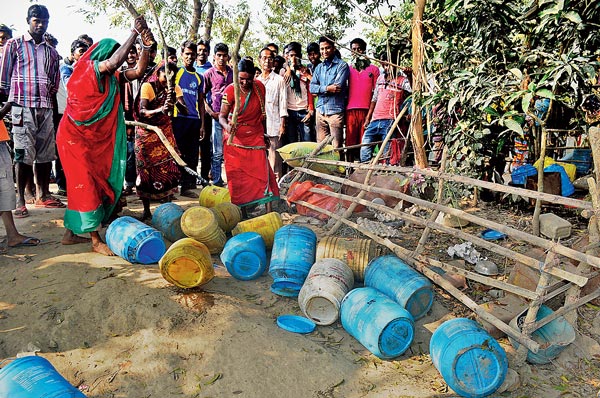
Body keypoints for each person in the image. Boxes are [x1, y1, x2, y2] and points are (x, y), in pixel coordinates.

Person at [56, 16, 154, 255]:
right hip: (74, 140)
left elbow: (138, 70)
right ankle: (94, 239)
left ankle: (70, 233)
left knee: (90, 183)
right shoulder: (88, 70)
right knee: (85, 184)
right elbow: (112, 63)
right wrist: (133, 33)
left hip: (92, 141)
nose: (116, 59)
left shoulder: (111, 77)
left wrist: (147, 47)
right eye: (112, 53)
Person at [0, 5, 63, 218]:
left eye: (44, 20)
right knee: (23, 154)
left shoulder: (52, 52)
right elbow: (4, 80)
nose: (40, 24)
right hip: (21, 107)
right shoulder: (14, 45)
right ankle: (20, 200)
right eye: (36, 20)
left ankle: (43, 194)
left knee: (45, 154)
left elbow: (54, 83)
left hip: (45, 107)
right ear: (28, 20)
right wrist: (10, 103)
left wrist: (49, 106)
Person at [219, 58, 279, 211]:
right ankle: (241, 213)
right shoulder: (231, 90)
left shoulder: (259, 88)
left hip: (255, 136)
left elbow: (261, 114)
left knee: (263, 174)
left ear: (254, 77)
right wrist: (227, 126)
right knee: (239, 179)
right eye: (241, 79)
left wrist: (263, 134)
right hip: (235, 140)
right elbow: (222, 116)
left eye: (249, 79)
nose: (245, 83)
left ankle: (269, 213)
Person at [134, 62, 184, 219]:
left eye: (172, 79)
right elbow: (142, 111)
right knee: (145, 172)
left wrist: (175, 100)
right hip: (146, 133)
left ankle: (167, 209)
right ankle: (146, 210)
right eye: (165, 78)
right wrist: (160, 109)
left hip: (165, 132)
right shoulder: (148, 87)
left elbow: (185, 109)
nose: (168, 81)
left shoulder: (174, 88)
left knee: (169, 169)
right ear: (159, 74)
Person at [360, 50, 412, 163]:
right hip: (374, 120)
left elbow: (414, 89)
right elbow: (374, 99)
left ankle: (386, 172)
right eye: (384, 64)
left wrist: (409, 75)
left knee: (387, 152)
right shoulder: (380, 79)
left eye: (389, 64)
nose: (387, 67)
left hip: (390, 120)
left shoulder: (402, 80)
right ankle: (365, 170)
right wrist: (368, 118)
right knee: (365, 148)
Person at [171, 40, 205, 198]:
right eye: (187, 54)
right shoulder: (175, 73)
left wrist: (202, 124)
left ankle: (188, 186)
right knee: (177, 152)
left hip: (194, 119)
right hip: (178, 119)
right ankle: (172, 186)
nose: (190, 57)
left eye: (193, 54)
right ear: (181, 55)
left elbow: (201, 102)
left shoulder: (199, 77)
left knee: (192, 154)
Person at [309, 36, 349, 149]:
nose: (324, 51)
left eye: (327, 48)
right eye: (322, 49)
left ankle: (340, 167)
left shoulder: (342, 65)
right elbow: (312, 88)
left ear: (333, 48)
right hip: (320, 112)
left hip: (335, 112)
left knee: (337, 147)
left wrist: (320, 89)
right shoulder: (319, 68)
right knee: (321, 148)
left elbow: (337, 87)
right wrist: (327, 88)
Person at [346, 38, 380, 162]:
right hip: (350, 110)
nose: (356, 52)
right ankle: (348, 169)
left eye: (359, 49)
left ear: (364, 50)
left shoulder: (373, 69)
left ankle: (364, 169)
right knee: (350, 143)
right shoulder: (347, 69)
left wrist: (371, 114)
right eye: (353, 49)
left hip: (367, 110)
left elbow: (377, 93)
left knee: (365, 143)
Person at [203, 43, 232, 187]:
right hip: (216, 117)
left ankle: (232, 181)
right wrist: (210, 112)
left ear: (228, 57)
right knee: (217, 152)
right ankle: (216, 181)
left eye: (224, 55)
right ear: (214, 57)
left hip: (232, 118)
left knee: (232, 151)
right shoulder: (209, 74)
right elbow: (201, 96)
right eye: (219, 55)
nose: (221, 58)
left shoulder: (233, 73)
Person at [257, 47, 287, 180]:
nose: (267, 61)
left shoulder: (279, 80)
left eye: (270, 58)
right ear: (259, 60)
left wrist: (282, 125)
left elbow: (283, 103)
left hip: (274, 125)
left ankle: (276, 192)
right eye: (264, 58)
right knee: (260, 160)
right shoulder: (256, 81)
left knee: (275, 161)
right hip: (259, 127)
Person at [282, 42, 314, 143]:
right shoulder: (283, 72)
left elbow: (311, 90)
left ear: (300, 56)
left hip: (304, 111)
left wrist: (310, 109)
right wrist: (288, 69)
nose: (294, 58)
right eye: (291, 55)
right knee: (292, 142)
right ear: (287, 57)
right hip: (290, 111)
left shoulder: (305, 70)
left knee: (307, 141)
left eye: (296, 55)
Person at [119, 45, 140, 195]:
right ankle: (129, 183)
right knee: (129, 153)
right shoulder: (121, 73)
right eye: (128, 52)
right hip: (127, 118)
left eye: (133, 52)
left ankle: (142, 183)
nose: (131, 55)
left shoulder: (143, 71)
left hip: (141, 116)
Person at [194, 39, 213, 185]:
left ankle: (204, 177)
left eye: (204, 50)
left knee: (205, 146)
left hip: (206, 114)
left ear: (208, 52)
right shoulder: (189, 68)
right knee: (192, 148)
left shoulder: (210, 70)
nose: (201, 53)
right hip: (189, 114)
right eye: (199, 50)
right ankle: (192, 178)